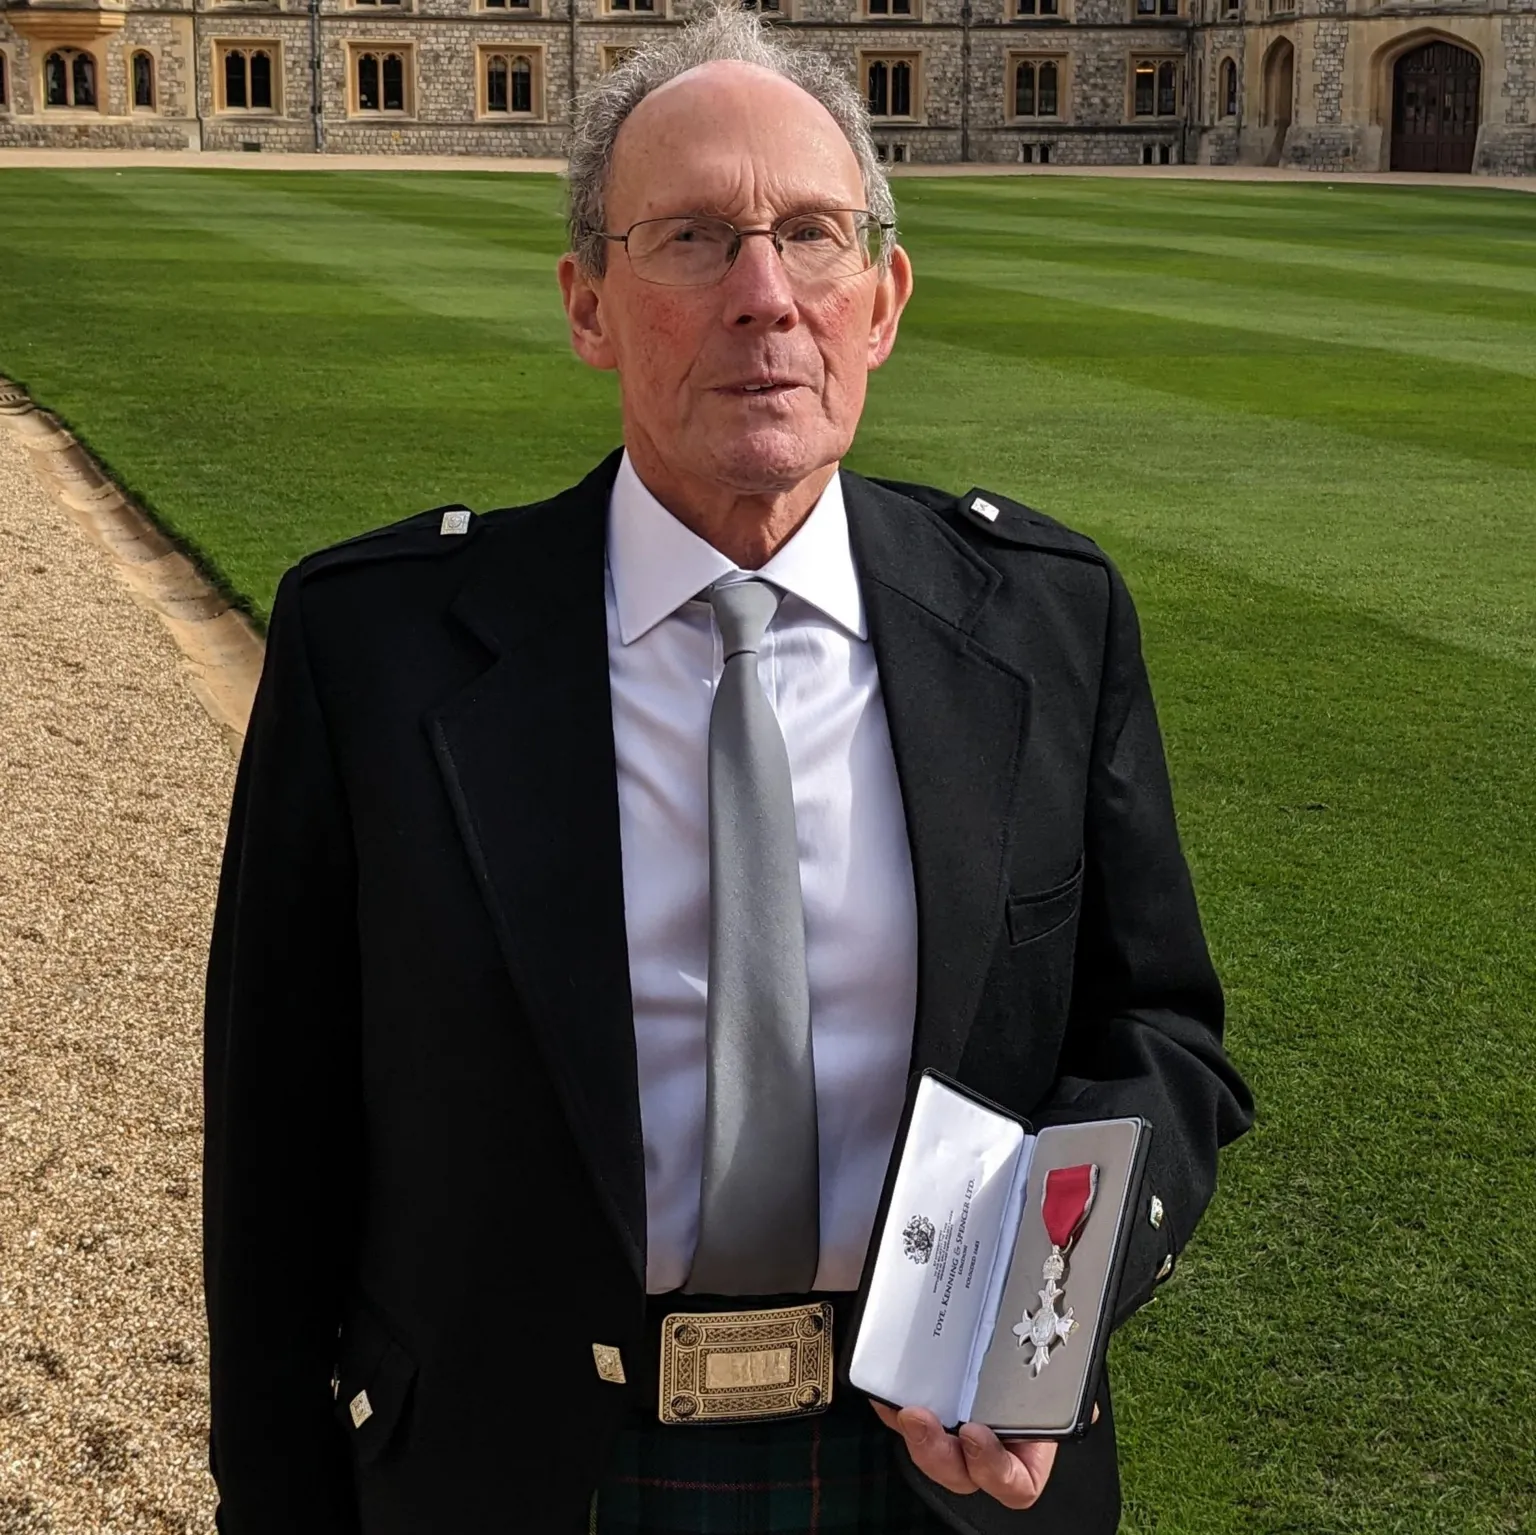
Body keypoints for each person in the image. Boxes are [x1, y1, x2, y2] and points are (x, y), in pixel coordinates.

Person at [201, 5, 1254, 1533]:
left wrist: (1039, 1307)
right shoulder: (377, 649)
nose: (767, 296)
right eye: (691, 238)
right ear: (588, 305)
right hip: (524, 1468)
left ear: (883, 301)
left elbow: (1161, 1027)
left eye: (814, 236)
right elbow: (276, 1146)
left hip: (941, 1481)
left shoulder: (1045, 617)